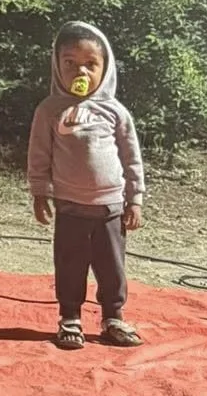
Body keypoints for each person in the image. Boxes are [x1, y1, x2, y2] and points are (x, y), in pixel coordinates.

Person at [29, 23, 145, 349]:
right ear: (57, 66)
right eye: (70, 63)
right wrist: (40, 193)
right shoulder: (50, 110)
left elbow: (131, 157)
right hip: (69, 207)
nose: (81, 71)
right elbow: (39, 155)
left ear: (105, 68)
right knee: (70, 263)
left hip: (110, 208)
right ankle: (70, 318)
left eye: (90, 64)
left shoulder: (115, 112)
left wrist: (134, 200)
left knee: (112, 265)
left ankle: (113, 317)